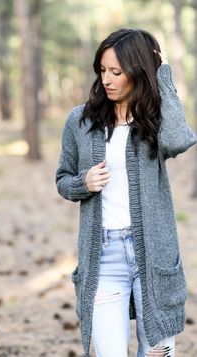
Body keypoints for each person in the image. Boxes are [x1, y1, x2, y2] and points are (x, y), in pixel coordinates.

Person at [55, 28, 197, 357]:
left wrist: (163, 76)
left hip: (155, 254)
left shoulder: (154, 120)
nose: (108, 79)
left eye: (117, 72)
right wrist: (82, 183)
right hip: (104, 257)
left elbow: (179, 140)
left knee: (158, 353)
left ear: (137, 71)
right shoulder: (80, 121)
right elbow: (63, 178)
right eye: (103, 71)